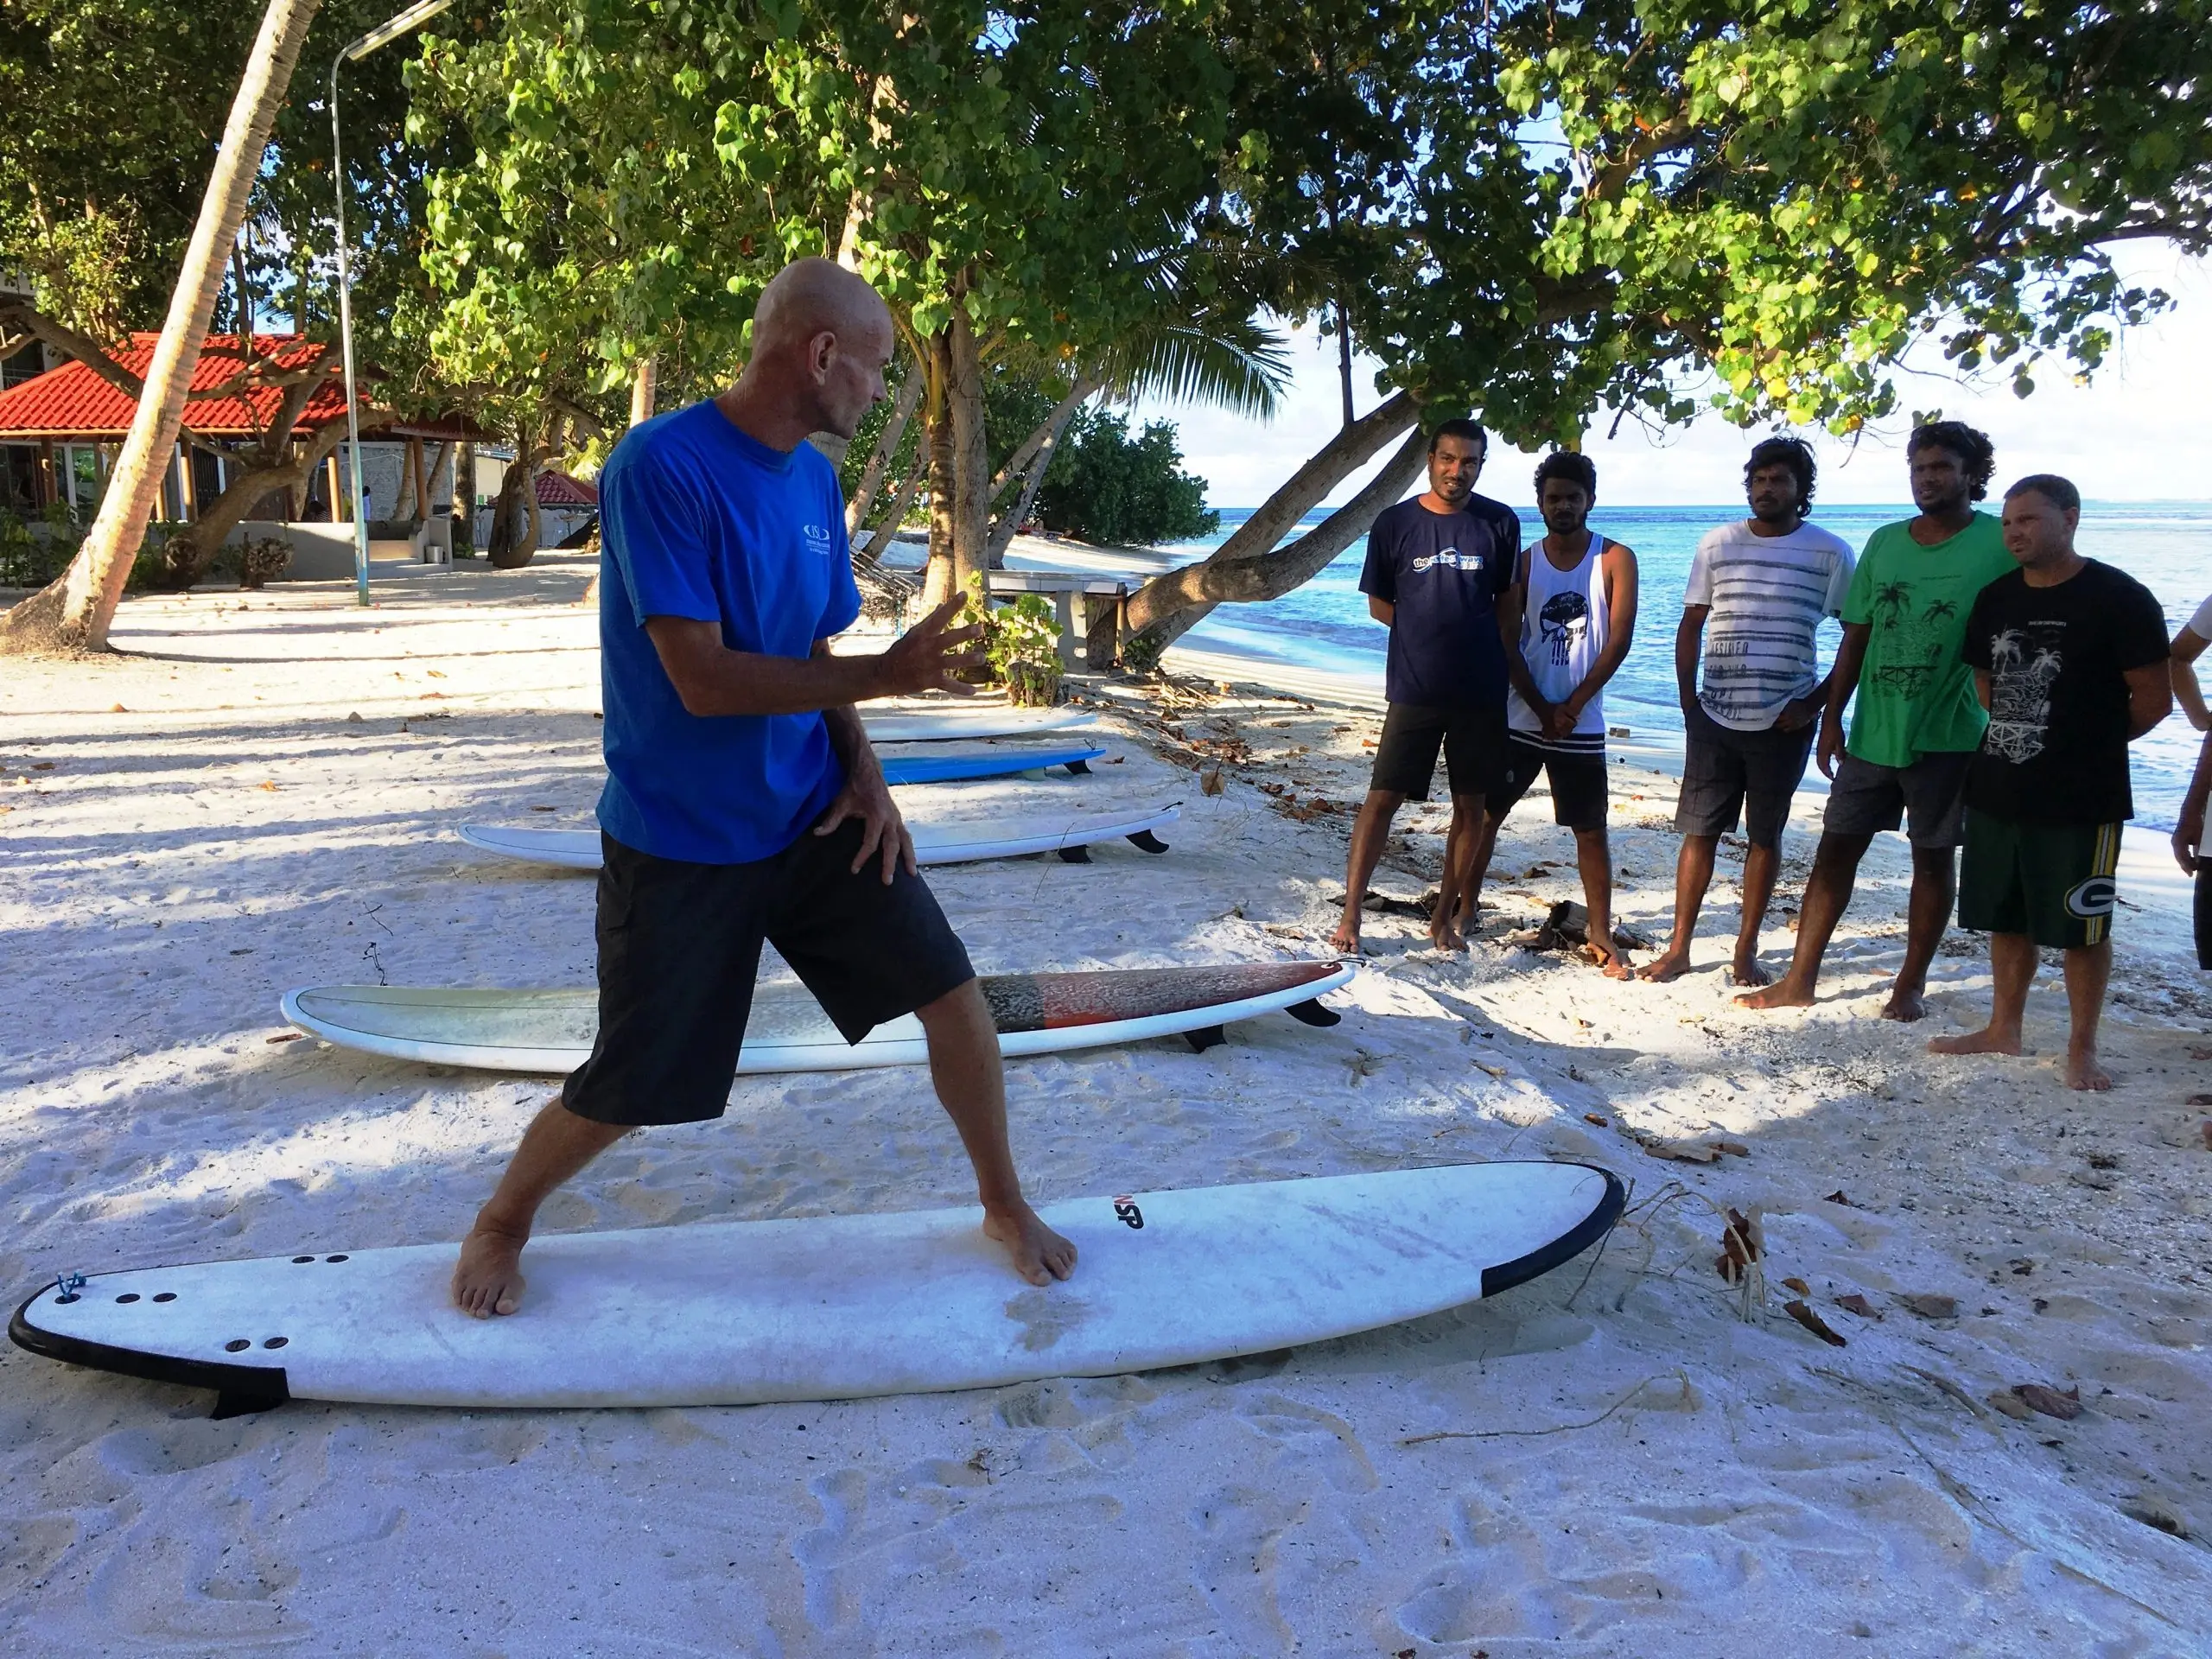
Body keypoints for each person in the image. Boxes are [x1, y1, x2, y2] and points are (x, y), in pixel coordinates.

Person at [451, 258, 1077, 1319]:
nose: (881, 392)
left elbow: (808, 646)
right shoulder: (661, 467)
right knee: (633, 1087)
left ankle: (1005, 1204)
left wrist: (867, 773)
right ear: (821, 353)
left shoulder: (814, 482)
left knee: (953, 997)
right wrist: (888, 676)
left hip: (810, 811)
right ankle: (504, 1218)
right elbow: (700, 680)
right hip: (681, 836)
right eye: (876, 370)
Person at [1738, 422, 2015, 1020]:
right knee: (1834, 853)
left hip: (1953, 735)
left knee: (1932, 858)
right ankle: (1799, 979)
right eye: (1920, 468)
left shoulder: (2000, 543)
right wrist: (1832, 716)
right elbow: (1856, 638)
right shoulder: (1886, 543)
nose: (1929, 478)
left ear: (1972, 475)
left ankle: (1908, 986)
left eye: (1942, 467)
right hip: (1873, 732)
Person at [1929, 475, 2171, 1090]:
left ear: (2070, 518)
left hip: (2082, 796)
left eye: (2029, 521)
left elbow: (2153, 702)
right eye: (2008, 522)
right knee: (2006, 917)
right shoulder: (1996, 599)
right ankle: (2002, 1029)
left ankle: (2081, 1050)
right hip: (2000, 785)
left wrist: (2083, 745)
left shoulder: (2120, 597)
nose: (2015, 533)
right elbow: (1987, 687)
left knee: (2081, 928)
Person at [1645, 438, 1854, 986]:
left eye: (1779, 480)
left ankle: (1745, 950)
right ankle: (1679, 947)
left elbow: (1857, 636)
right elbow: (1691, 623)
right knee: (1699, 832)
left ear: (1800, 490)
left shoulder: (1829, 553)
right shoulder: (1717, 544)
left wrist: (1815, 704)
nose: (1767, 488)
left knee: (1765, 837)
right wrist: (1688, 701)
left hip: (1784, 721)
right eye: (1759, 479)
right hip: (1714, 714)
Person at [1331, 419, 1521, 955]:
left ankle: (1444, 919)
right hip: (1414, 686)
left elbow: (1508, 609)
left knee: (1471, 806)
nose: (1456, 472)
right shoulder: (1394, 523)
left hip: (1480, 691)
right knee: (1382, 798)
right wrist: (1428, 635)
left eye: (1469, 463)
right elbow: (1379, 604)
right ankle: (1351, 916)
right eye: (1447, 459)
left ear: (1480, 466)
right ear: (1430, 459)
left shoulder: (1499, 523)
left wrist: (1494, 661)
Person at [1452, 451, 1640, 977]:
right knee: (1487, 817)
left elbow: (1619, 640)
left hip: (1581, 722)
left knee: (1590, 829)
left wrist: (1573, 707)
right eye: (1553, 498)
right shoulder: (1525, 562)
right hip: (1521, 715)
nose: (1563, 506)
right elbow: (1507, 641)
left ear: (1590, 501)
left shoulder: (1614, 559)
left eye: (1573, 498)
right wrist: (1541, 706)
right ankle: (1465, 907)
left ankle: (1600, 929)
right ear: (1540, 503)